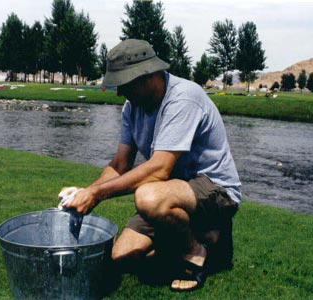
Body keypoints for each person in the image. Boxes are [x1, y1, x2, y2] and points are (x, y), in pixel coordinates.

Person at [58, 39, 241, 292]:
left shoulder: (183, 98)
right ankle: (209, 237)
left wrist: (97, 194)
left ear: (147, 76)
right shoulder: (132, 107)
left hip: (215, 190)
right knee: (122, 256)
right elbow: (121, 163)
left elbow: (160, 168)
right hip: (172, 191)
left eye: (124, 84)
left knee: (148, 197)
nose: (121, 92)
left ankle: (195, 251)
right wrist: (85, 192)